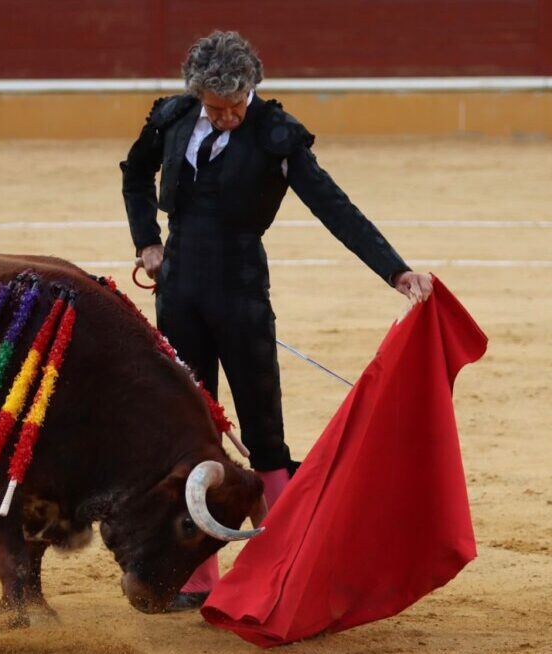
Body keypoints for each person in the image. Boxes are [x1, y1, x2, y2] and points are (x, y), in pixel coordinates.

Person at [119, 30, 433, 610]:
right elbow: (134, 175)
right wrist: (148, 242)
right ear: (197, 95)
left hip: (241, 297)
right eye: (217, 108)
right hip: (179, 292)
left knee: (264, 434)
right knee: (192, 432)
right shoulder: (174, 118)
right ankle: (197, 575)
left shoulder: (275, 135)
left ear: (252, 88)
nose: (228, 117)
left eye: (237, 104)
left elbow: (334, 206)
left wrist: (396, 271)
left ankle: (285, 571)